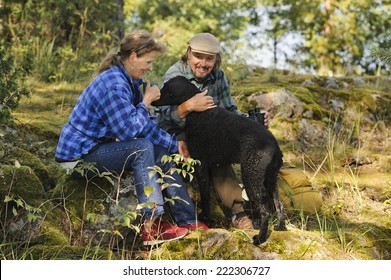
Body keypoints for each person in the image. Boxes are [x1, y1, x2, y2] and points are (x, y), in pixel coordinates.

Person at [55, 30, 208, 246]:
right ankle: (151, 225)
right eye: (149, 61)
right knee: (142, 148)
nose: (150, 67)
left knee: (161, 152)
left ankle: (187, 219)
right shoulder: (114, 85)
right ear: (133, 56)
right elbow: (128, 132)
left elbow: (143, 126)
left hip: (98, 148)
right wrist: (145, 102)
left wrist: (176, 145)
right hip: (79, 158)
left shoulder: (129, 80)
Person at [156, 33, 271, 230]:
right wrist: (188, 106)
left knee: (220, 152)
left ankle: (238, 214)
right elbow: (162, 115)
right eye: (198, 56)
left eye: (209, 58)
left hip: (208, 132)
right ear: (188, 54)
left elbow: (230, 110)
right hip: (177, 132)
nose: (203, 63)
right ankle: (190, 215)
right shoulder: (175, 75)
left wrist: (251, 122)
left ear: (216, 59)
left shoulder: (218, 77)